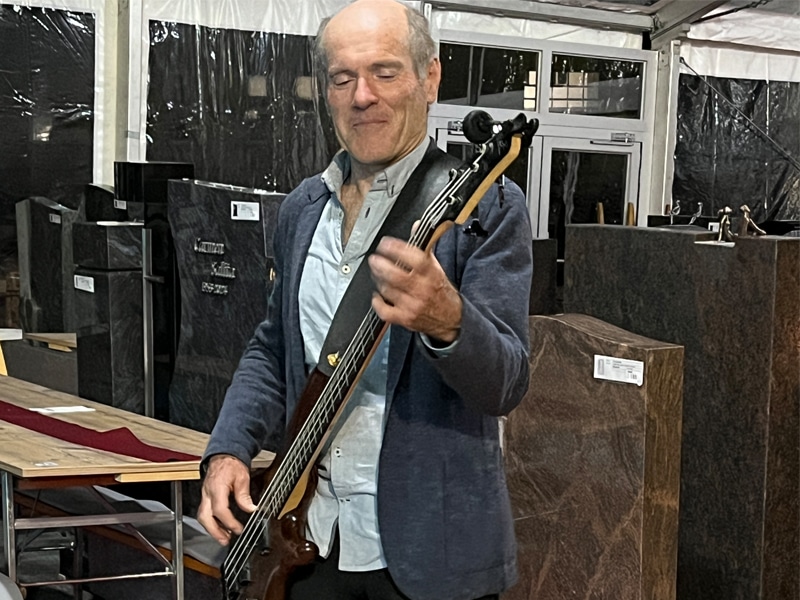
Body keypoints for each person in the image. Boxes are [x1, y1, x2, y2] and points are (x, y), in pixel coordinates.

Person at [197, 1, 533, 599]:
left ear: (429, 78)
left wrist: (450, 323)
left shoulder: (488, 207)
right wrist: (228, 449)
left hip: (431, 559)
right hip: (309, 541)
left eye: (384, 71)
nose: (362, 96)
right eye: (342, 78)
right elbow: (273, 350)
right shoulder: (302, 209)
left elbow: (506, 383)